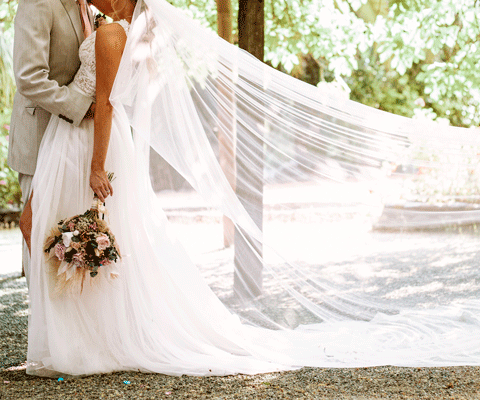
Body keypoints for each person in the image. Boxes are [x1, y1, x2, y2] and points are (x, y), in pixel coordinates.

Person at [18, 0, 480, 378]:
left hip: (87, 136)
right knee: (73, 228)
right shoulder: (96, 22)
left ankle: (92, 340)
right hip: (72, 135)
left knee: (90, 229)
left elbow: (103, 101)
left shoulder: (110, 33)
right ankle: (85, 336)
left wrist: (98, 162)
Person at [9, 0, 95, 281]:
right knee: (40, 236)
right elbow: (29, 77)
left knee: (70, 242)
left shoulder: (89, 6)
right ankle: (45, 323)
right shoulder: (38, 2)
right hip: (40, 137)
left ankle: (70, 321)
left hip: (75, 142)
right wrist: (79, 106)